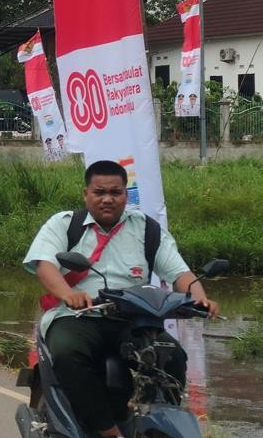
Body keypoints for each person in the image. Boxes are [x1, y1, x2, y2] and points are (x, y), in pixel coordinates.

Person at [24, 160, 218, 438]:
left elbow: (180, 272)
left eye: (115, 193)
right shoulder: (65, 224)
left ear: (126, 195)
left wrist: (199, 299)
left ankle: (156, 422)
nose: (107, 199)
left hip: (132, 319)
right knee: (68, 354)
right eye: (99, 192)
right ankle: (107, 430)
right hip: (79, 317)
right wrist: (68, 294)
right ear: (85, 194)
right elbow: (44, 265)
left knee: (171, 355)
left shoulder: (146, 229)